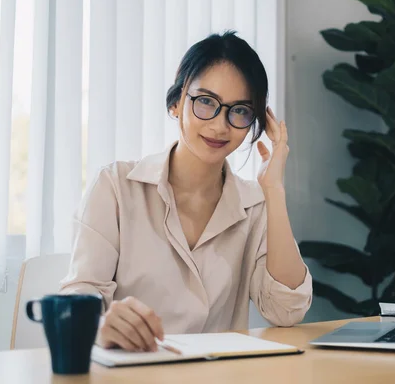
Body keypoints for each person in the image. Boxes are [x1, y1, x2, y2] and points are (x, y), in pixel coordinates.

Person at [59, 31, 312, 352]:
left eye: (239, 111)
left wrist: (274, 190)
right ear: (177, 102)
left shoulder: (256, 203)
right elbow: (80, 292)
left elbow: (286, 311)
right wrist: (100, 323)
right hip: (132, 371)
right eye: (206, 102)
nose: (220, 125)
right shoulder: (115, 184)